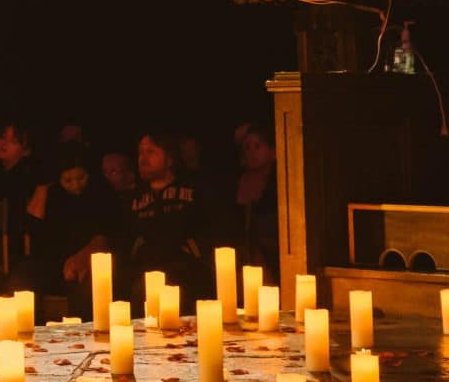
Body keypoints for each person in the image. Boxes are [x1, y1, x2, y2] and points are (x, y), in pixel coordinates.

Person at [17, 142, 120, 298]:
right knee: (24, 274)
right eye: (68, 180)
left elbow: (107, 233)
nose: (76, 185)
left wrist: (83, 258)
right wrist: (43, 187)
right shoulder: (54, 194)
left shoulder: (100, 193)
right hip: (55, 263)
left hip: (90, 263)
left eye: (81, 178)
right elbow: (34, 227)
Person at [124, 132, 213, 295]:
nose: (143, 158)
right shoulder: (132, 198)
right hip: (143, 272)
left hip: (185, 273)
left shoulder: (194, 192)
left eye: (150, 151)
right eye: (140, 152)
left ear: (170, 158)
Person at [231, 122, 279, 268]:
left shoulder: (279, 181)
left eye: (257, 146)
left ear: (272, 151)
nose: (251, 152)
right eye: (247, 147)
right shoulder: (242, 182)